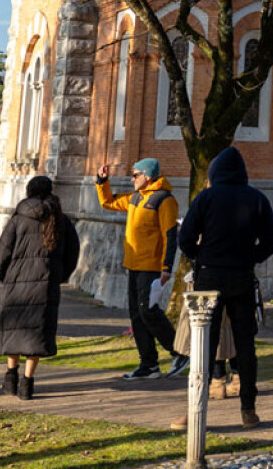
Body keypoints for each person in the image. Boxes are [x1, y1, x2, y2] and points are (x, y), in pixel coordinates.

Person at [175, 145, 273, 430]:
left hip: (209, 276)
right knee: (245, 345)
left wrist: (202, 256)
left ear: (215, 173)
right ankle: (248, 408)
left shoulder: (206, 198)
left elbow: (184, 238)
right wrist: (250, 257)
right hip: (241, 276)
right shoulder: (257, 199)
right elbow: (272, 240)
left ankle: (195, 410)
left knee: (204, 345)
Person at [95, 157, 186, 380]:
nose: (132, 179)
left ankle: (179, 352)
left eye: (135, 175)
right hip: (133, 264)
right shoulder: (136, 196)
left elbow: (169, 235)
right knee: (137, 315)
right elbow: (108, 202)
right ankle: (148, 363)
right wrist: (102, 181)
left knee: (148, 310)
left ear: (147, 176)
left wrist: (166, 266)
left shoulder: (164, 200)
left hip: (151, 266)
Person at [0, 174, 81, 400]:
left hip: (16, 280)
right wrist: (60, 275)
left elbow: (3, 251)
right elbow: (73, 252)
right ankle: (27, 383)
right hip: (46, 282)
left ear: (29, 192)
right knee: (37, 334)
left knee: (14, 330)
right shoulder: (61, 219)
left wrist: (3, 275)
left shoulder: (18, 218)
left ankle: (10, 377)